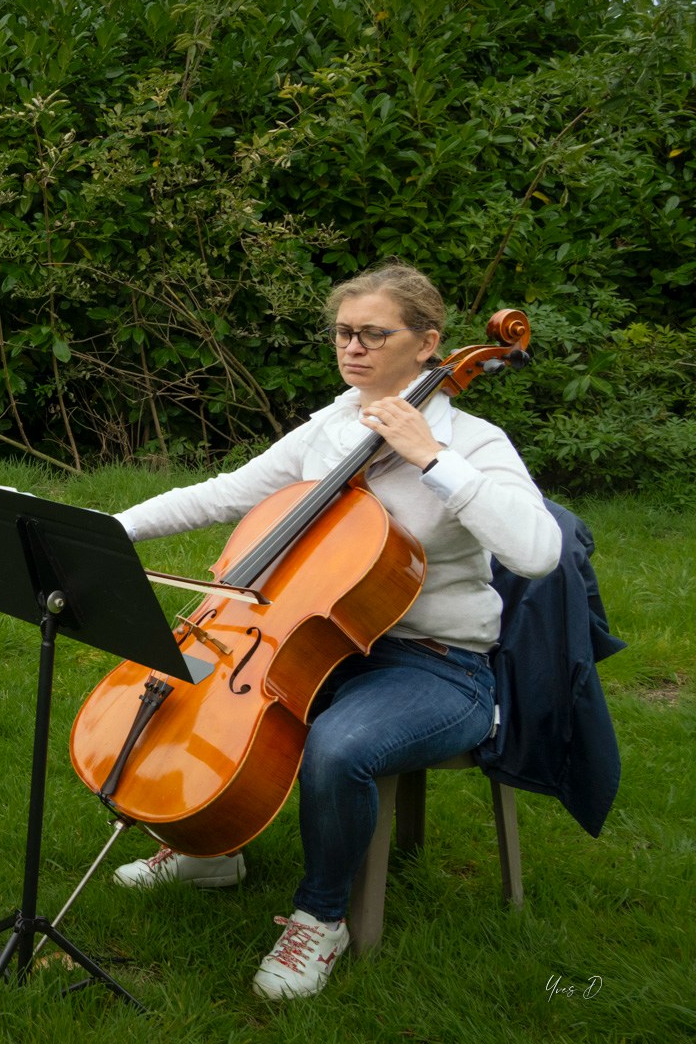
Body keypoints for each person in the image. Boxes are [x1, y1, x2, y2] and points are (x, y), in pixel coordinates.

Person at [107, 262, 561, 999]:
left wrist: (431, 458)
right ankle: (206, 847)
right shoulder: (333, 425)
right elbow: (226, 493)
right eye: (344, 333)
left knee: (339, 747)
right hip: (318, 641)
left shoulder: (474, 444)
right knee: (184, 690)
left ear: (428, 344)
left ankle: (320, 919)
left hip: (438, 664)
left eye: (373, 334)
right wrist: (111, 529)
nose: (352, 349)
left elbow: (538, 552)